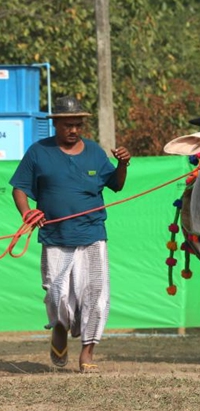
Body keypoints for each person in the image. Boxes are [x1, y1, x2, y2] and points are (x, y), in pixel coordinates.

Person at [9, 95, 131, 374]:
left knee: (96, 295)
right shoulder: (38, 152)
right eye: (67, 125)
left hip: (92, 234)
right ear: (56, 124)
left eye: (77, 125)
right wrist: (27, 213)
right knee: (56, 295)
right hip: (55, 236)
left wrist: (123, 164)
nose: (73, 130)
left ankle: (87, 353)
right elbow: (19, 188)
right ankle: (60, 328)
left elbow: (116, 185)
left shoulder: (95, 152)